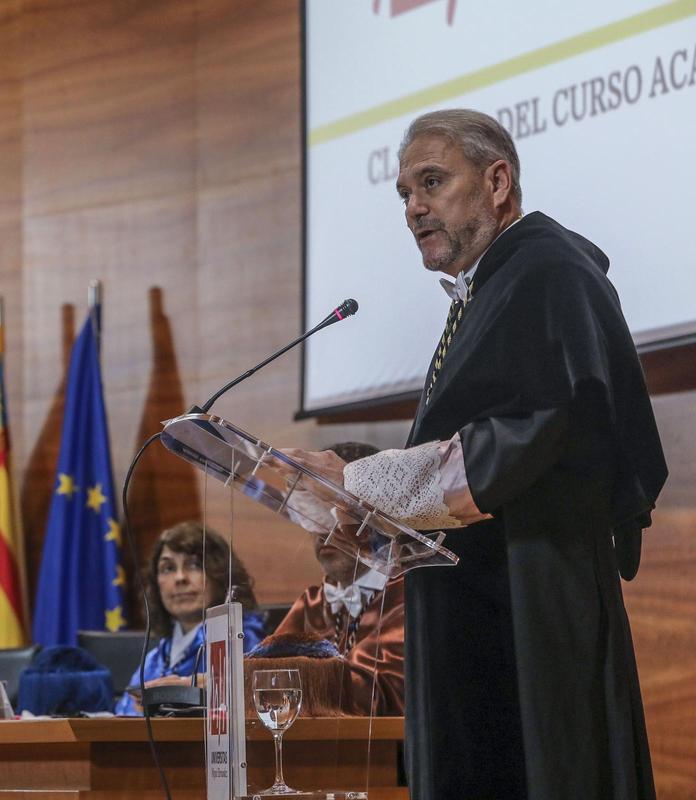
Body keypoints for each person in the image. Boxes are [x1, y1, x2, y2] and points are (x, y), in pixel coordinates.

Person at [287, 109, 667, 799]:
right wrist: (365, 513)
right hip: (484, 597)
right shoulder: (491, 290)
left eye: (431, 182)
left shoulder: (546, 274)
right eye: (403, 193)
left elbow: (523, 435)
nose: (413, 208)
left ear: (498, 181)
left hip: (530, 600)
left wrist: (357, 479)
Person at [272, 442, 405, 716]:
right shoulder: (314, 601)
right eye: (311, 514)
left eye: (333, 512)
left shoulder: (408, 598)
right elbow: (265, 669)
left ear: (378, 516)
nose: (323, 532)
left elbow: (377, 698)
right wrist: (203, 685)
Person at [115, 521, 264, 716]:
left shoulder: (242, 640)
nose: (180, 578)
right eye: (168, 568)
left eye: (194, 565)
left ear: (221, 574)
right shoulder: (156, 657)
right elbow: (122, 717)